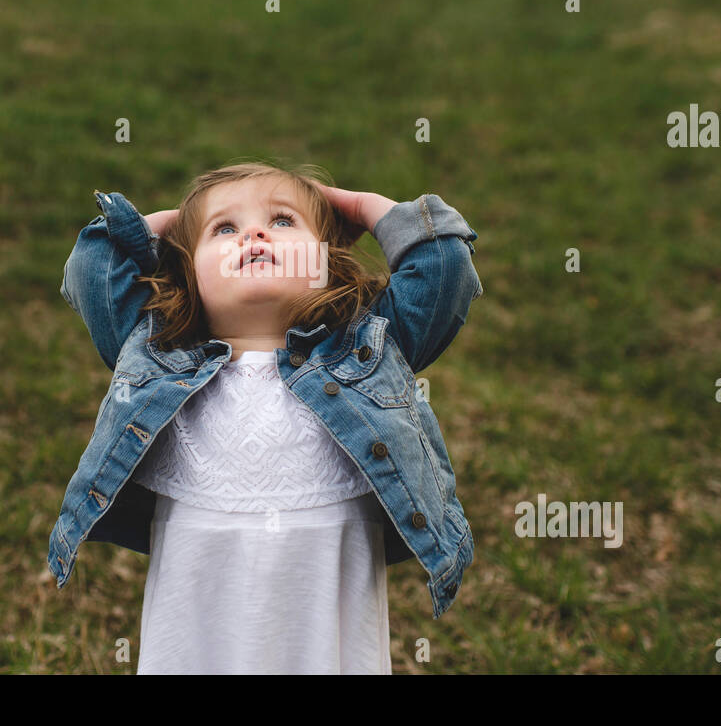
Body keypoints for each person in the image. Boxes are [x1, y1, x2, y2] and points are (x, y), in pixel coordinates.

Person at [49, 161, 482, 673]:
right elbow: (93, 268)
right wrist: (169, 227)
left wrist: (361, 206)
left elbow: (444, 265)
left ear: (326, 261)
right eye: (224, 229)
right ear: (188, 273)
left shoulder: (370, 347)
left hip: (322, 623)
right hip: (198, 626)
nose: (254, 234)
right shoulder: (155, 351)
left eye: (282, 221)